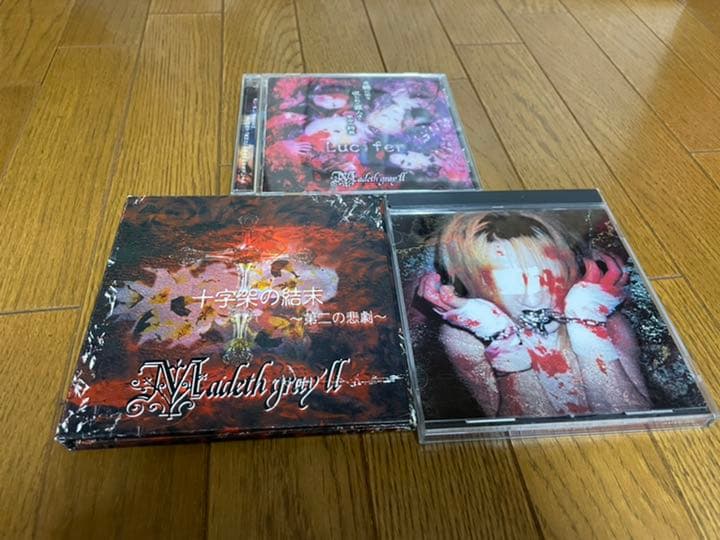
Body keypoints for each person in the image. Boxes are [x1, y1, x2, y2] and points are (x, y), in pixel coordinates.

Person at [418, 211, 650, 418]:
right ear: (475, 286)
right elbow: (524, 438)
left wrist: (588, 328)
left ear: (567, 271)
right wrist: (504, 342)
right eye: (509, 283)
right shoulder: (465, 337)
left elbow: (637, 424)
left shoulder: (598, 315)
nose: (533, 299)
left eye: (543, 278)